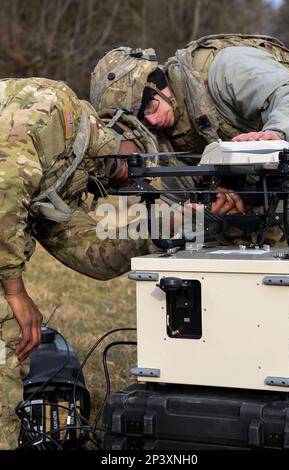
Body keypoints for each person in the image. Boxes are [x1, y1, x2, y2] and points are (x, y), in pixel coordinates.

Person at [0, 76, 158, 449]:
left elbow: (92, 254)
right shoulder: (56, 108)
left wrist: (168, 228)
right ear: (117, 129)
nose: (135, 171)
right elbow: (5, 190)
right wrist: (15, 290)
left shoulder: (70, 174)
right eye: (137, 156)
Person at [90, 35, 289, 226]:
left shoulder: (224, 68)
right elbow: (172, 205)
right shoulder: (162, 144)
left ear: (155, 82)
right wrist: (195, 211)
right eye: (142, 120)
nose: (153, 120)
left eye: (150, 106)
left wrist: (277, 135)